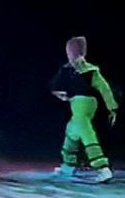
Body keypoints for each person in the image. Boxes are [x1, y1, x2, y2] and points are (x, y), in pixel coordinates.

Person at [49, 36, 120, 183]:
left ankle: (102, 168)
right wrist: (60, 95)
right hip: (74, 104)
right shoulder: (67, 70)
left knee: (85, 131)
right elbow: (54, 86)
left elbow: (104, 89)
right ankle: (68, 165)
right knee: (71, 131)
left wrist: (112, 108)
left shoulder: (91, 71)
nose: (71, 55)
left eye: (74, 52)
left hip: (86, 104)